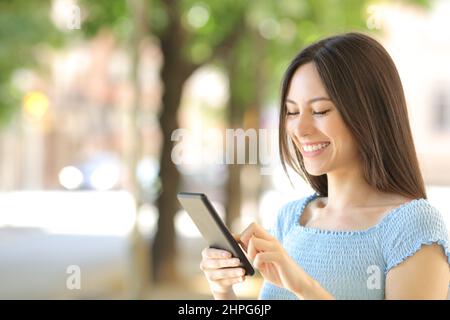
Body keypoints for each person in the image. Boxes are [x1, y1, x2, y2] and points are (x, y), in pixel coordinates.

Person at [199, 32, 450, 299]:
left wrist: (304, 286)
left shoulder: (412, 228)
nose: (300, 129)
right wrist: (222, 290)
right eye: (292, 112)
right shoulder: (291, 219)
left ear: (368, 113)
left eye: (319, 111)